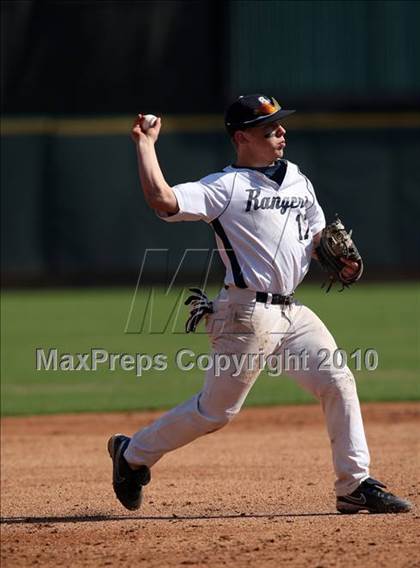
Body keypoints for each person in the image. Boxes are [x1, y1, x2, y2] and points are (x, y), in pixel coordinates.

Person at [108, 94, 411, 514]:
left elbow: (319, 233)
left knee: (338, 380)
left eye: (281, 125)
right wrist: (145, 144)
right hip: (245, 314)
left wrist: (335, 256)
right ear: (242, 138)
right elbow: (163, 199)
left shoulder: (298, 179)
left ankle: (354, 483)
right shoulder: (225, 187)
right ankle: (132, 454)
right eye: (270, 128)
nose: (281, 132)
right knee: (215, 412)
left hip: (293, 313)